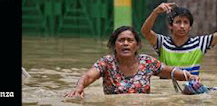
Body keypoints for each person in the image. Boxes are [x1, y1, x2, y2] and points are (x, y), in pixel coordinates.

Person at [65, 26, 201, 98]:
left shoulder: (147, 62)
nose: (125, 44)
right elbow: (88, 76)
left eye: (130, 41)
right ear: (114, 44)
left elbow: (170, 72)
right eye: (121, 40)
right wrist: (79, 88)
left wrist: (189, 76)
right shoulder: (106, 63)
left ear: (136, 45)